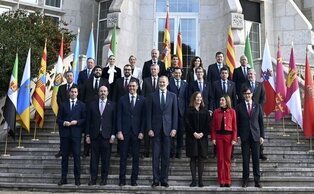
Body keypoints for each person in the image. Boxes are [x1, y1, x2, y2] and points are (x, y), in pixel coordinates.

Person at [147, 76, 178, 187]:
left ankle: (164, 179)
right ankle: (155, 179)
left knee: (165, 155)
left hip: (168, 130)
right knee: (155, 156)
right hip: (155, 130)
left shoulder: (173, 96)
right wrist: (149, 128)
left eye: (163, 82)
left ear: (167, 83)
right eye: (160, 82)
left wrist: (174, 128)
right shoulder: (152, 96)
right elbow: (148, 114)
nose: (161, 83)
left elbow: (175, 114)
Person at [116, 79, 146, 186]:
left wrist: (142, 131)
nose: (132, 88)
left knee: (136, 158)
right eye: (130, 86)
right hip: (124, 133)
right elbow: (118, 116)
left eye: (134, 86)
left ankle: (134, 179)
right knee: (123, 157)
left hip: (136, 133)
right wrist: (119, 131)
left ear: (137, 87)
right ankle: (122, 179)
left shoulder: (142, 100)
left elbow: (144, 118)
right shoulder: (122, 99)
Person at [85, 86, 116, 186]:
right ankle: (93, 179)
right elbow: (88, 121)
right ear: (98, 92)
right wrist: (87, 135)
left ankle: (104, 179)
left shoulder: (112, 105)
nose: (103, 93)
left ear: (107, 93)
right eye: (101, 91)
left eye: (104, 91)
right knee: (94, 159)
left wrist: (113, 135)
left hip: (106, 136)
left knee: (105, 159)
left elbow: (114, 121)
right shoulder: (92, 105)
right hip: (94, 136)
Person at [235, 86, 264, 188]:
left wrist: (262, 136)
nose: (247, 95)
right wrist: (237, 135)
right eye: (245, 94)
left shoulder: (258, 106)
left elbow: (261, 122)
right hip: (245, 136)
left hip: (255, 136)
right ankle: (245, 180)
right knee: (245, 160)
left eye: (249, 94)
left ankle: (257, 181)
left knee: (256, 159)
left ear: (252, 94)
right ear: (243, 95)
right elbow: (237, 123)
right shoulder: (239, 107)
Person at [57, 85, 86, 186]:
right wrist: (63, 123)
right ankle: (63, 178)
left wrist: (77, 122)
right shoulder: (63, 105)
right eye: (72, 92)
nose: (73, 94)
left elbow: (84, 119)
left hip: (76, 135)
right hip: (65, 135)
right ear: (69, 93)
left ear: (77, 93)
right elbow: (58, 120)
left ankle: (77, 179)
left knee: (77, 157)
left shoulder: (82, 105)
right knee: (64, 157)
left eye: (75, 92)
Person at [80, 65, 109, 157]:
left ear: (101, 72)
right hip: (89, 107)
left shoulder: (105, 81)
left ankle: (97, 151)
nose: (98, 71)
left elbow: (108, 94)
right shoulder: (87, 81)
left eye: (99, 70)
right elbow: (82, 94)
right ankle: (86, 151)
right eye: (96, 70)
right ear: (93, 71)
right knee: (87, 128)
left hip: (101, 108)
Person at [211, 95, 237, 187]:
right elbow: (213, 126)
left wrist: (234, 138)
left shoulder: (232, 112)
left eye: (222, 100)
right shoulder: (216, 111)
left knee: (227, 159)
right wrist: (213, 138)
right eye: (220, 100)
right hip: (219, 137)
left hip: (229, 137)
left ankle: (228, 180)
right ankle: (221, 180)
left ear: (227, 101)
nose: (221, 101)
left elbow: (234, 127)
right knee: (220, 159)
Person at [184, 92, 209, 187]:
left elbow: (208, 124)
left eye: (200, 97)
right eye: (197, 97)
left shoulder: (205, 110)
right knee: (193, 158)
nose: (199, 99)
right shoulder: (189, 110)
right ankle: (194, 180)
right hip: (192, 137)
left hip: (202, 138)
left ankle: (200, 181)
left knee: (201, 159)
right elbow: (186, 123)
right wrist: (193, 133)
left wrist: (202, 133)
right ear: (193, 98)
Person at [242, 69, 267, 160]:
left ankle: (260, 152)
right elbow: (242, 98)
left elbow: (263, 98)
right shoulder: (244, 85)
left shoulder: (260, 85)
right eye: (248, 74)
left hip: (257, 111)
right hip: (247, 111)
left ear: (255, 74)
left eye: (251, 74)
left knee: (258, 130)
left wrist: (258, 108)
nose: (250, 75)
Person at [55, 70, 77, 158]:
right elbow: (58, 99)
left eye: (71, 76)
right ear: (65, 77)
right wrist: (64, 108)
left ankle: (71, 151)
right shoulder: (61, 87)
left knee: (72, 134)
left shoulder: (77, 87)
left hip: (74, 113)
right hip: (63, 114)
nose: (69, 77)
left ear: (73, 77)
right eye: (67, 76)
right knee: (63, 134)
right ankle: (62, 150)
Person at [167, 67, 188, 158]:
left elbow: (187, 98)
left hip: (182, 111)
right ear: (173, 74)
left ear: (181, 74)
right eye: (176, 73)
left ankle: (179, 151)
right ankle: (171, 151)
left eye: (179, 73)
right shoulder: (169, 83)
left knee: (180, 132)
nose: (178, 74)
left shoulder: (185, 84)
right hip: (171, 111)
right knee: (171, 132)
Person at [142, 63, 160, 158]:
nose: (153, 71)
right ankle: (146, 150)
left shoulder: (162, 81)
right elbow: (143, 95)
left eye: (155, 69)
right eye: (152, 69)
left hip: (158, 109)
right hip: (148, 109)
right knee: (147, 130)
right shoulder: (146, 80)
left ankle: (156, 151)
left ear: (158, 70)